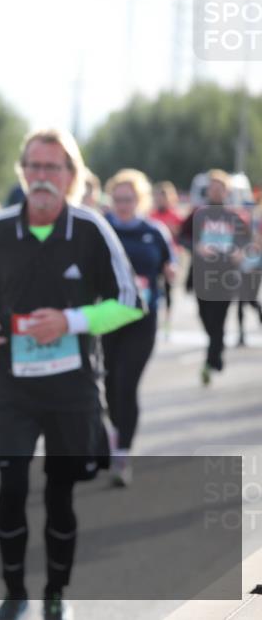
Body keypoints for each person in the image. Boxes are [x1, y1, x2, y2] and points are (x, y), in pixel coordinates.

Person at [0, 128, 144, 620]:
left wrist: (71, 322)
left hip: (71, 388)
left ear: (71, 177)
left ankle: (56, 592)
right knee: (12, 485)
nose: (42, 177)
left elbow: (129, 303)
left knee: (60, 491)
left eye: (53, 168)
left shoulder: (90, 230)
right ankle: (14, 591)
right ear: (23, 173)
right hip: (11, 387)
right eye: (34, 167)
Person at [102, 169, 176, 486]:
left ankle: (122, 454)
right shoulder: (102, 230)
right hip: (107, 318)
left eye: (128, 199)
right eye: (117, 199)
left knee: (125, 384)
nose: (122, 205)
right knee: (108, 386)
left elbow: (168, 263)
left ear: (139, 200)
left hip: (142, 320)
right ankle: (116, 434)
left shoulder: (154, 231)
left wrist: (171, 272)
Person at [178, 169, 253, 385]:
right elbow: (181, 237)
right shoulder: (197, 214)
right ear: (207, 191)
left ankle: (212, 360)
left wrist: (241, 252)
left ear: (226, 191)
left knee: (218, 321)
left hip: (225, 276)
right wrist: (196, 247)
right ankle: (216, 350)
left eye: (220, 189)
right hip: (201, 275)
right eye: (212, 188)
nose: (216, 192)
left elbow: (247, 243)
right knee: (205, 318)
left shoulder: (235, 216)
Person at [149, 181, 183, 336]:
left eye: (162, 197)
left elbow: (181, 236)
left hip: (171, 257)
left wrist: (173, 231)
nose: (159, 200)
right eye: (157, 197)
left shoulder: (175, 215)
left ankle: (168, 320)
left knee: (169, 290)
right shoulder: (151, 215)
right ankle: (155, 317)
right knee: (155, 287)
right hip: (155, 257)